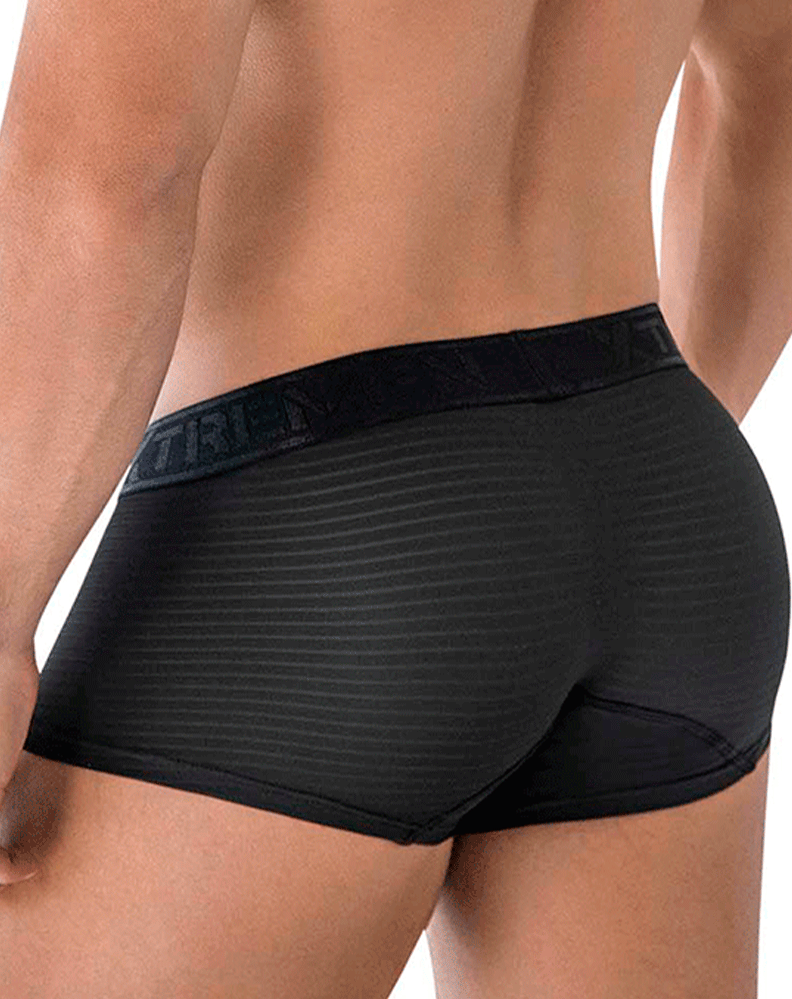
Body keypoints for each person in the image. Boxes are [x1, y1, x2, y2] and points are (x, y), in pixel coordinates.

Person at [0, 0, 788, 995]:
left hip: (331, 525)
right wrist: (629, 477)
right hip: (669, 495)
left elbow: (114, 161)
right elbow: (773, 75)